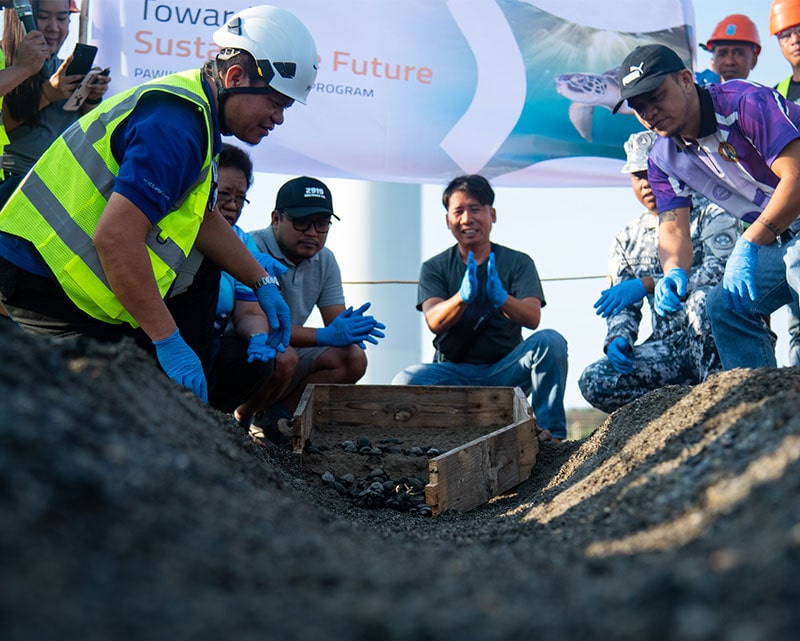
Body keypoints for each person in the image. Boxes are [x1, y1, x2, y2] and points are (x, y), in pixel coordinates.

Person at [0, 6, 318, 402]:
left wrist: (261, 280)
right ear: (235, 77)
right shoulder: (177, 125)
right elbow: (116, 238)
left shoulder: (196, 115)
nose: (279, 118)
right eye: (275, 102)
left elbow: (201, 220)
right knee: (102, 417)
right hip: (42, 278)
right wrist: (168, 340)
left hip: (58, 274)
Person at [612, 43, 800, 371]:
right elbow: (672, 227)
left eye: (656, 95)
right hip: (786, 232)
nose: (649, 112)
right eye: (639, 106)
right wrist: (672, 272)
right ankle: (760, 409)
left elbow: (796, 179)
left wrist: (750, 241)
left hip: (788, 222)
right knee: (726, 306)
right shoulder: (661, 157)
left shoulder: (746, 103)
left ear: (686, 80)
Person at [392, 174, 568, 441]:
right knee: (405, 380)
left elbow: (533, 318)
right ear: (447, 220)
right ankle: (421, 442)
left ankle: (550, 435)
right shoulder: (435, 267)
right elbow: (434, 320)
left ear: (492, 214)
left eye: (475, 209)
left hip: (505, 369)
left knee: (551, 342)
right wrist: (462, 297)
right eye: (458, 211)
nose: (466, 219)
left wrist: (502, 299)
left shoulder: (518, 262)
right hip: (453, 372)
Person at [578, 131, 738, 414]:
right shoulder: (627, 238)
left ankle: (720, 406)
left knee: (703, 301)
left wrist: (651, 283)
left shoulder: (712, 213)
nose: (647, 183)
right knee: (595, 380)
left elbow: (723, 272)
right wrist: (619, 338)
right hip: (669, 349)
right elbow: (622, 306)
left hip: (720, 339)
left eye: (654, 171)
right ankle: (674, 418)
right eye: (638, 175)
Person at [248, 176, 386, 435]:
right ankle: (241, 416)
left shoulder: (325, 259)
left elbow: (335, 324)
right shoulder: (252, 246)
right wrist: (326, 335)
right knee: (282, 356)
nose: (312, 232)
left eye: (322, 224)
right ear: (276, 218)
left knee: (353, 357)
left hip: (286, 349)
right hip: (249, 347)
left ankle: (280, 418)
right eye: (302, 222)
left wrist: (349, 327)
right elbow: (261, 326)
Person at [0, 0, 110, 203]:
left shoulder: (65, 68)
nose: (53, 27)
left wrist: (92, 97)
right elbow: (7, 122)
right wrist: (48, 92)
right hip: (16, 184)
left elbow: (93, 136)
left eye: (62, 18)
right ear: (20, 19)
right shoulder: (6, 64)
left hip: (63, 189)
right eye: (42, 17)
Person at [206, 143, 278, 423]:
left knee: (258, 362)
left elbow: (248, 311)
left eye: (240, 198)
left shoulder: (243, 242)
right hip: (170, 334)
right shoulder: (179, 229)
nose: (232, 206)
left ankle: (217, 418)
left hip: (215, 339)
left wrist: (258, 336)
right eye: (223, 194)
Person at [771, 0, 800, 366]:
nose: (795, 39)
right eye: (786, 33)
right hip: (793, 220)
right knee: (796, 323)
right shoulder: (775, 94)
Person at [699, 14, 760, 83]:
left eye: (739, 53)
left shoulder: (765, 93)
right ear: (712, 62)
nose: (729, 61)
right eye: (722, 54)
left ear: (753, 61)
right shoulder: (694, 89)